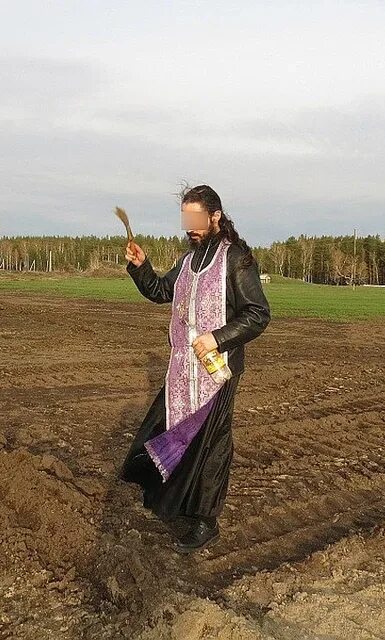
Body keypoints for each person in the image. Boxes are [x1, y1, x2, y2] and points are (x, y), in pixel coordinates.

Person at [118, 184, 271, 553]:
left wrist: (218, 338)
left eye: (197, 219)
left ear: (215, 217)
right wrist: (141, 268)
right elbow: (159, 291)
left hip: (218, 372)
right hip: (182, 371)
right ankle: (178, 502)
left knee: (212, 443)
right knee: (173, 431)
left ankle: (205, 520)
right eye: (186, 219)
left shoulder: (235, 259)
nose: (191, 227)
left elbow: (258, 314)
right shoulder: (188, 262)